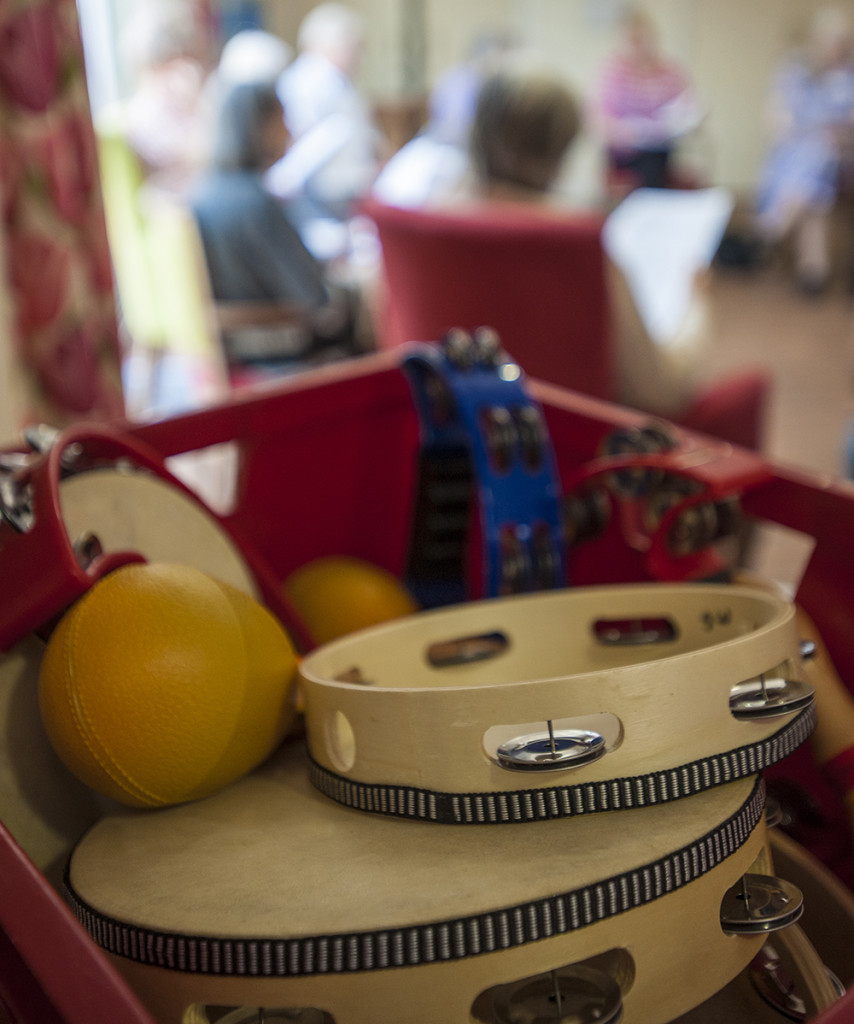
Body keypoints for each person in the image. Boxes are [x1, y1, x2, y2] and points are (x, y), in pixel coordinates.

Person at [462, 65, 722, 419]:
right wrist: (697, 304)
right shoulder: (579, 250)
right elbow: (660, 390)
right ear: (563, 150)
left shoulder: (413, 233)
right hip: (567, 454)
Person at [190, 81, 354, 377]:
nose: (290, 132)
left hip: (226, 351)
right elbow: (312, 295)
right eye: (283, 120)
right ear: (260, 126)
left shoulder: (201, 195)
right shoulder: (258, 202)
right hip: (278, 351)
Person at [266, 3, 381, 258]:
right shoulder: (310, 79)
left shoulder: (339, 82)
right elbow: (295, 142)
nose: (357, 55)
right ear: (326, 44)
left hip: (344, 195)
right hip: (317, 197)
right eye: (352, 46)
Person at [756, 6, 854, 295]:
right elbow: (775, 119)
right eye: (828, 42)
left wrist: (836, 135)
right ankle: (814, 268)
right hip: (796, 153)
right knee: (813, 185)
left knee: (817, 160)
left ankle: (772, 231)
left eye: (840, 44)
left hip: (839, 154)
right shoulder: (794, 69)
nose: (833, 50)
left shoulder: (849, 77)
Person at [595, 6, 704, 191]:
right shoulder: (613, 71)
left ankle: (653, 204)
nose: (637, 46)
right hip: (625, 151)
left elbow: (687, 105)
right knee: (648, 163)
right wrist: (625, 133)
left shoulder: (670, 70)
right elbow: (600, 116)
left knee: (655, 159)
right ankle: (650, 204)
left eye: (641, 39)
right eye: (632, 40)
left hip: (662, 147)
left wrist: (689, 119)